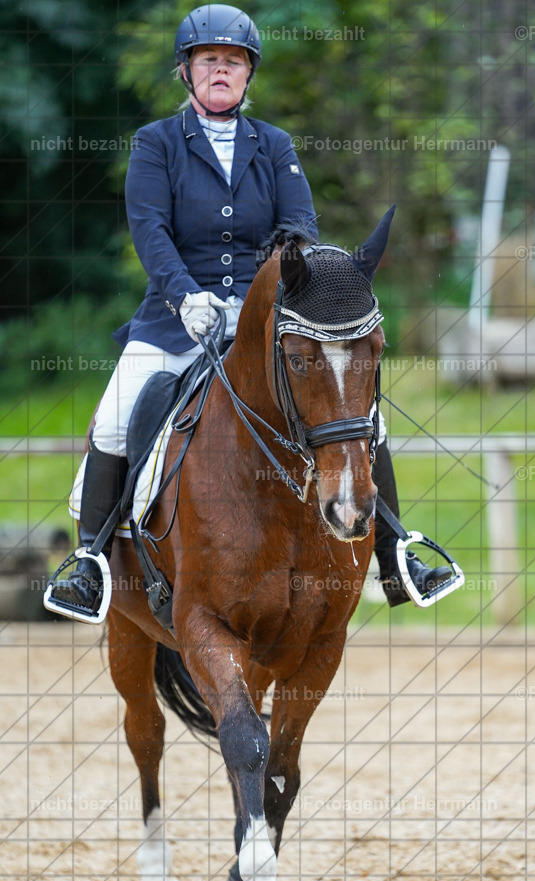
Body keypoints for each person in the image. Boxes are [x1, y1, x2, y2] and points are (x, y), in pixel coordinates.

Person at [50, 3, 451, 618]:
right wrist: (186, 296)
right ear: (186, 70)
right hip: (175, 318)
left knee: (361, 415)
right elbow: (150, 232)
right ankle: (91, 563)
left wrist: (280, 293)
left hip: (266, 320)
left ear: (247, 74)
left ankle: (397, 555)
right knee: (114, 417)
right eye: (209, 59)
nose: (221, 70)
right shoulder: (156, 143)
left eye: (233, 61)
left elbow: (300, 228)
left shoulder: (274, 145)